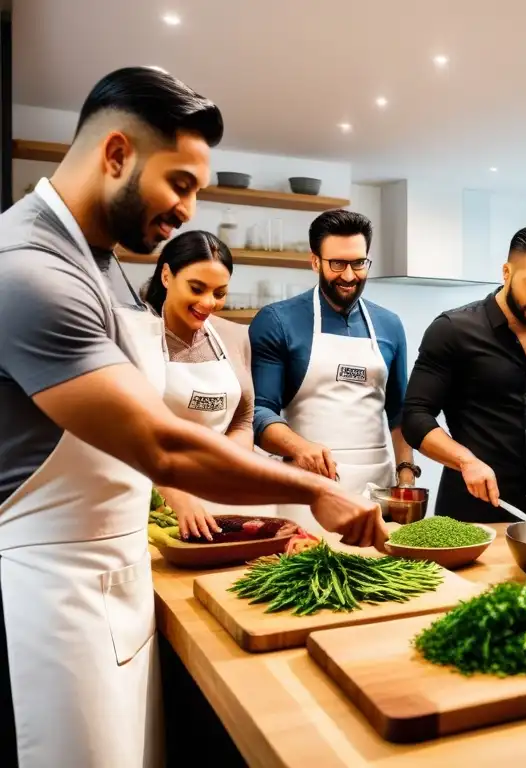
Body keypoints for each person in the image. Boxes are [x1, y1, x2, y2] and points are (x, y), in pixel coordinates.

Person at [0, 67, 383, 768]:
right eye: (180, 183)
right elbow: (160, 443)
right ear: (116, 154)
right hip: (52, 593)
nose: (189, 211)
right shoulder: (28, 267)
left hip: (117, 570)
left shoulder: (103, 262)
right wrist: (313, 492)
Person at [402, 225, 526, 522]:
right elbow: (415, 417)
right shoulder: (452, 330)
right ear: (507, 273)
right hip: (470, 508)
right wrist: (465, 460)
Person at [249, 209, 416, 536]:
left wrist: (406, 475)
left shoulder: (390, 325)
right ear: (315, 262)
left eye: (359, 263)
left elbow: (399, 412)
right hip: (308, 490)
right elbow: (258, 412)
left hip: (377, 489)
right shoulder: (277, 321)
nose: (350, 276)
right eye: (337, 264)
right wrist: (299, 447)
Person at [142, 230, 264, 540]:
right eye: (196, 288)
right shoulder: (136, 336)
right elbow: (130, 435)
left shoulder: (235, 337)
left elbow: (242, 419)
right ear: (167, 275)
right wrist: (178, 497)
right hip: (155, 502)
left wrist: (231, 466)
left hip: (222, 494)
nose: (207, 302)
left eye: (219, 293)